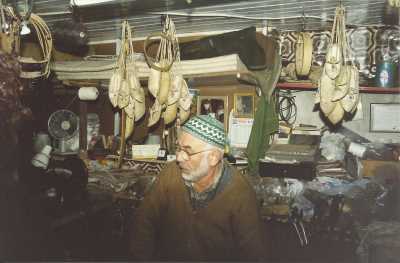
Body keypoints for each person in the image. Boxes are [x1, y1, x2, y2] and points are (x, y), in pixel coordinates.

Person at [130, 115, 268, 261]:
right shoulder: (170, 174)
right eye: (178, 148)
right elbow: (143, 225)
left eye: (188, 151)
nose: (179, 157)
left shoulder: (240, 194)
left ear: (213, 157)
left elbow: (255, 255)